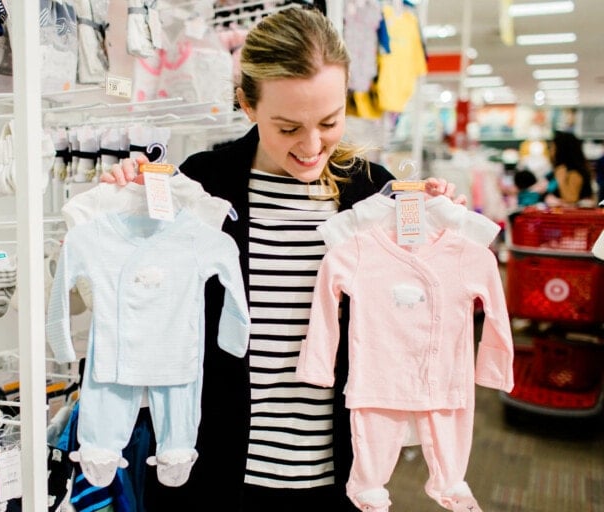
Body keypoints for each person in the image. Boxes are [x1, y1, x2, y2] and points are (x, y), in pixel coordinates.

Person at [101, 7, 461, 511]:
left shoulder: (373, 192)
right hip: (216, 461)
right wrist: (124, 206)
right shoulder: (203, 183)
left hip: (341, 469)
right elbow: (138, 287)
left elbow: (428, 312)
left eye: (329, 122)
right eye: (288, 127)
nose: (312, 146)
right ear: (247, 104)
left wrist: (441, 231)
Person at [545, 130, 594, 206]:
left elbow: (571, 199)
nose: (550, 151)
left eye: (552, 147)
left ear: (561, 150)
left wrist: (561, 179)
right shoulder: (560, 170)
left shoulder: (574, 172)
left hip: (572, 216)